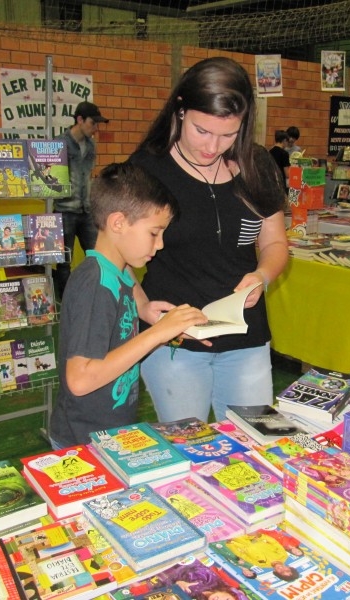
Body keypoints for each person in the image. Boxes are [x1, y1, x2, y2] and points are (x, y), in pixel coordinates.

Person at [129, 56, 289, 423]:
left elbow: (275, 243)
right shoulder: (147, 170)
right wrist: (141, 305)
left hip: (247, 338)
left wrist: (263, 276)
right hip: (177, 340)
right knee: (189, 447)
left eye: (228, 134)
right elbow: (114, 257)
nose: (213, 146)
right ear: (181, 110)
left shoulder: (257, 164)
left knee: (257, 446)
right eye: (202, 130)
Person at [48, 162, 208, 449]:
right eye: (153, 233)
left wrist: (161, 330)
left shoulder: (118, 271)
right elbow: (80, 379)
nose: (159, 245)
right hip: (83, 442)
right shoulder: (95, 285)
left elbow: (118, 346)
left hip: (111, 432)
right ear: (118, 223)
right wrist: (156, 334)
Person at [54, 100, 109, 299]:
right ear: (79, 119)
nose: (95, 128)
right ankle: (65, 301)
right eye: (92, 123)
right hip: (64, 209)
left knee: (97, 255)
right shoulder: (59, 144)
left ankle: (96, 295)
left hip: (86, 210)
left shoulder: (91, 145)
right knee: (63, 260)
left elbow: (88, 175)